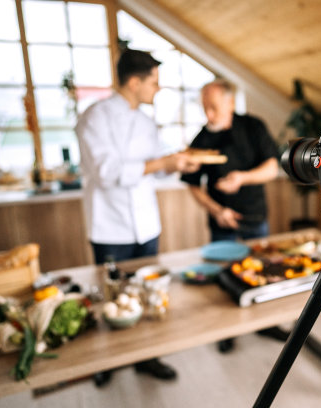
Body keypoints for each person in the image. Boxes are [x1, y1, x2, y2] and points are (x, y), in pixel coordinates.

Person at [76, 49, 200, 386]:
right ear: (134, 82)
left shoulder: (145, 122)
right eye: (154, 83)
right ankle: (112, 359)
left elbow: (154, 169)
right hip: (110, 226)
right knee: (115, 296)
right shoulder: (94, 118)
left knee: (149, 292)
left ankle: (148, 356)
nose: (157, 90)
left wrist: (174, 163)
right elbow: (107, 173)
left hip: (146, 223)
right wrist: (161, 164)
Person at [180, 79, 279, 351]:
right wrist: (217, 210)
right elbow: (192, 186)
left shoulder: (253, 126)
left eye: (213, 107)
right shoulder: (200, 140)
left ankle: (265, 323)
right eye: (204, 108)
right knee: (225, 277)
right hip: (221, 221)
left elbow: (272, 168)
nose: (208, 115)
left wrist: (242, 178)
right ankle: (227, 331)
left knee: (262, 269)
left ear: (230, 102)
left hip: (255, 216)